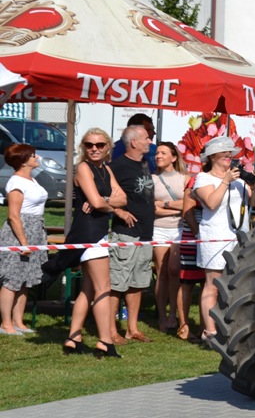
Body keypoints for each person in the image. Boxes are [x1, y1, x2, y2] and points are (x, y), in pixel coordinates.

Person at [49, 128, 128, 357]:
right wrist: (107, 204)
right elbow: (98, 202)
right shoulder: (83, 168)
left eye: (100, 145)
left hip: (98, 230)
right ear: (83, 147)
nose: (94, 149)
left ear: (108, 147)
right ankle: (105, 341)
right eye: (89, 145)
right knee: (104, 288)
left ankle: (73, 338)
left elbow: (122, 198)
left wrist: (104, 200)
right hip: (88, 232)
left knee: (89, 287)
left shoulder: (105, 169)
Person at [193, 136, 251, 347]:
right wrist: (226, 181)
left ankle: (231, 328)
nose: (229, 155)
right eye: (224, 152)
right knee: (214, 285)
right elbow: (211, 203)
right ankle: (210, 332)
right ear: (212, 156)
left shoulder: (238, 179)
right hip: (215, 237)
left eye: (230, 152)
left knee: (237, 285)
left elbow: (253, 202)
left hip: (239, 237)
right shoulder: (203, 178)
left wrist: (254, 183)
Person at [108, 124, 156, 343]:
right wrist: (119, 212)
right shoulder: (116, 167)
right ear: (134, 142)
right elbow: (101, 196)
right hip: (125, 234)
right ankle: (111, 330)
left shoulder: (145, 164)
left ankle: (132, 329)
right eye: (146, 138)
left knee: (138, 282)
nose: (150, 141)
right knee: (117, 283)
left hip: (145, 233)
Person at [0, 144, 48, 336]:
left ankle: (18, 321)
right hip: (19, 232)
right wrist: (24, 243)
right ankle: (5, 324)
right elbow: (14, 216)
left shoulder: (32, 179)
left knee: (24, 280)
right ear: (23, 160)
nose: (36, 157)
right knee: (11, 279)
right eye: (32, 155)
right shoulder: (16, 183)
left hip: (35, 229)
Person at [152, 142, 188, 334]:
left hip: (179, 229)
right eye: (157, 153)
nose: (158, 156)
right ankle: (162, 317)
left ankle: (173, 313)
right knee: (162, 272)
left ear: (173, 157)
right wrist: (176, 208)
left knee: (174, 270)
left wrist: (165, 204)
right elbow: (152, 209)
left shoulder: (184, 179)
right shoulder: (152, 179)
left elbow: (187, 205)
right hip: (158, 229)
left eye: (163, 153)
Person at [176, 169, 204, 341]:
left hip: (213, 237)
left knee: (207, 283)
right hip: (193, 236)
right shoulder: (196, 180)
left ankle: (204, 326)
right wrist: (198, 234)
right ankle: (183, 326)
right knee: (188, 283)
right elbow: (187, 211)